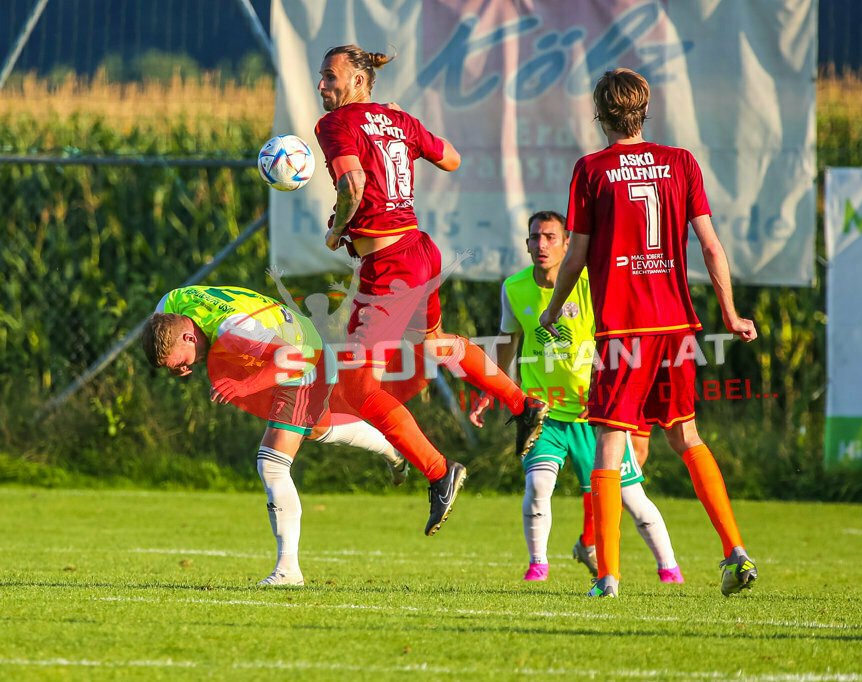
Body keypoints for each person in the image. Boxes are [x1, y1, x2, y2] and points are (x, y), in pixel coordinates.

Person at [539, 69, 759, 598]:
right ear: (644, 110)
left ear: (599, 113)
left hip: (626, 328)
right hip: (676, 326)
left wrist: (552, 311)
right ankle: (735, 551)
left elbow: (576, 254)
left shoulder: (591, 169)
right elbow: (709, 245)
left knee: (610, 446)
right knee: (687, 436)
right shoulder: (680, 162)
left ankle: (609, 577)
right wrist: (728, 312)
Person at [313, 44, 548, 536]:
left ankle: (440, 472)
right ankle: (522, 403)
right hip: (422, 251)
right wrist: (403, 124)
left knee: (356, 388)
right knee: (436, 345)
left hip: (391, 267)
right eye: (321, 77)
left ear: (358, 81)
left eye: (331, 78)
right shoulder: (397, 120)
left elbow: (353, 183)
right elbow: (453, 159)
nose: (322, 87)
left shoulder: (335, 125)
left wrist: (337, 232)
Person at [141, 284, 409, 586]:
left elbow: (292, 359)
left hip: (306, 359)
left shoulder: (235, 330)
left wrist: (243, 387)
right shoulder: (170, 304)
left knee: (272, 463)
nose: (182, 370)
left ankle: (288, 571)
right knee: (317, 428)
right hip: (289, 347)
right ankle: (391, 448)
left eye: (179, 363)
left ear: (189, 337)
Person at [470, 210, 684, 584]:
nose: (542, 245)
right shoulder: (514, 288)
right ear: (526, 244)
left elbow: (619, 339)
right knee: (538, 486)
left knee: (632, 500)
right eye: (535, 237)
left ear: (567, 244)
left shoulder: (590, 283)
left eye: (551, 237)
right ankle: (538, 566)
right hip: (543, 414)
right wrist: (492, 389)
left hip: (594, 415)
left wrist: (619, 391)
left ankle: (669, 569)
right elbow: (507, 342)